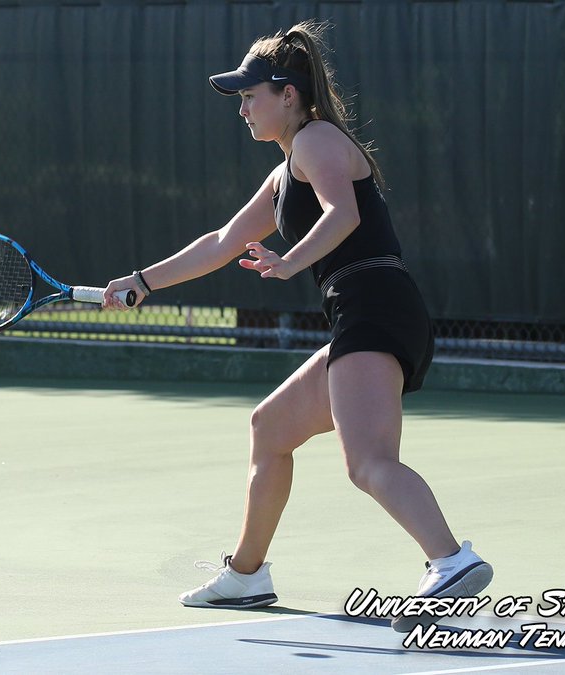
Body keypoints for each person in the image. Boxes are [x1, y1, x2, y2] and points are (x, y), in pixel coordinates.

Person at [101, 20, 492, 633]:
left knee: (367, 463)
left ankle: (451, 562)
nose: (243, 109)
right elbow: (223, 243)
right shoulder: (285, 172)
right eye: (239, 99)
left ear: (288, 94)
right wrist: (140, 282)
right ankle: (247, 574)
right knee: (271, 427)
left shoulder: (316, 140)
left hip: (375, 304)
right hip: (363, 310)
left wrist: (289, 262)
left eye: (250, 95)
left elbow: (344, 213)